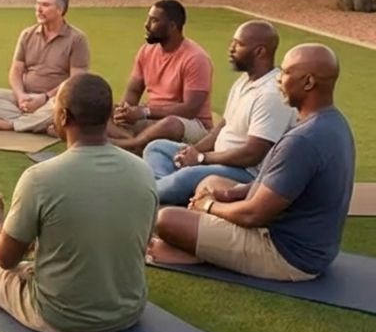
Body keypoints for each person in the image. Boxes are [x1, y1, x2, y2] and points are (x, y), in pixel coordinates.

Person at [0, 73, 157, 332]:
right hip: (128, 311)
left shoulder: (41, 178)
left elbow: (4, 260)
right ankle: (3, 230)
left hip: (60, 315)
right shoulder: (143, 171)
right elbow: (137, 243)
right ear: (107, 117)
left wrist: (15, 247)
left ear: (63, 117)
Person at [150, 44, 354, 281]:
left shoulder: (303, 140)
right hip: (310, 245)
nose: (278, 80)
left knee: (166, 220)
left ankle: (201, 252)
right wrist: (226, 195)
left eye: (286, 73)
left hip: (286, 255)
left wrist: (208, 206)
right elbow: (280, 185)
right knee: (211, 181)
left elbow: (253, 216)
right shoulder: (334, 122)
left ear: (308, 83)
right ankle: (204, 247)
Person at [143, 21, 295, 205]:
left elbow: (252, 154)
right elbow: (222, 127)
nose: (230, 49)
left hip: (244, 172)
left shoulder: (271, 95)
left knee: (185, 176)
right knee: (157, 148)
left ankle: (149, 193)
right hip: (217, 159)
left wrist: (201, 159)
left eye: (238, 44)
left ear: (260, 51)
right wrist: (194, 151)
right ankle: (171, 192)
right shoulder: (244, 82)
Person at [0, 0, 89, 134]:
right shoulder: (27, 34)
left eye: (45, 5)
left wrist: (43, 98)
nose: (38, 9)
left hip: (53, 99)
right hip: (26, 97)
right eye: (37, 4)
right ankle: (41, 125)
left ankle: (11, 125)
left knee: (64, 104)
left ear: (60, 10)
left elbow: (75, 80)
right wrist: (20, 96)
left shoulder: (77, 39)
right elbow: (16, 70)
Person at [110, 0, 214, 153]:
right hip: (152, 119)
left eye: (154, 20)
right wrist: (124, 112)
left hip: (190, 124)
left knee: (170, 124)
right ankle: (133, 143)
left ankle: (131, 145)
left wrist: (144, 112)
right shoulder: (146, 51)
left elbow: (189, 109)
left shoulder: (196, 58)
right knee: (101, 112)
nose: (146, 25)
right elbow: (133, 90)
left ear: (172, 26)